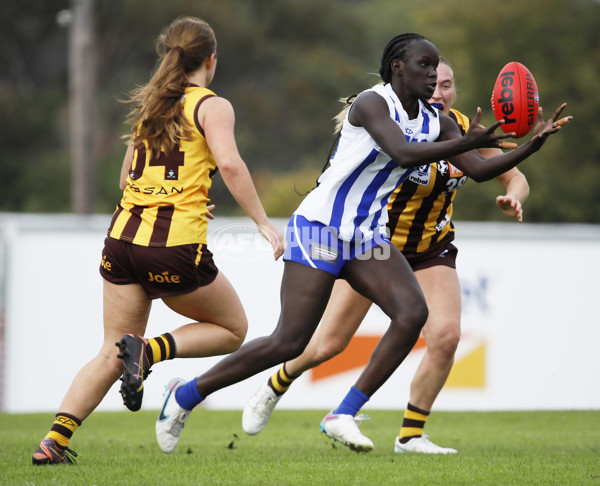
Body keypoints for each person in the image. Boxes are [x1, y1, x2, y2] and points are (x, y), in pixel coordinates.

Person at [153, 33, 570, 455]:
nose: (432, 74)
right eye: (424, 66)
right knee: (290, 342)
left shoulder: (438, 120)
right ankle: (186, 395)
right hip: (320, 228)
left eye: (436, 68)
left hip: (366, 236)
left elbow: (480, 172)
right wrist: (469, 141)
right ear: (397, 69)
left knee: (412, 314)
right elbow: (404, 152)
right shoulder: (372, 102)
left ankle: (344, 413)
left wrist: (533, 144)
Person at [241, 57, 534, 454]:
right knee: (327, 344)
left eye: (446, 85)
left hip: (431, 247)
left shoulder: (465, 128)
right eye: (432, 84)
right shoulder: (396, 125)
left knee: (446, 336)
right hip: (373, 245)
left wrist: (511, 197)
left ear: (455, 91)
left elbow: (512, 174)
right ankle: (277, 383)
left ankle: (409, 435)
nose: (438, 92)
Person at [31, 16, 285, 465]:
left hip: (121, 240)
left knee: (111, 349)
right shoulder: (211, 105)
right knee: (233, 331)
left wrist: (167, 201)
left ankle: (53, 443)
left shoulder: (151, 103)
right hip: (172, 246)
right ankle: (149, 353)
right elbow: (229, 165)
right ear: (211, 59)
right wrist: (263, 222)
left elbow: (128, 175)